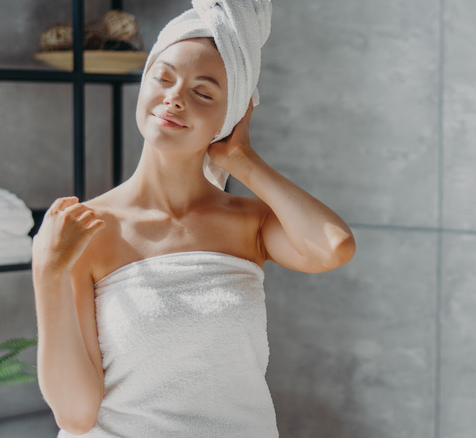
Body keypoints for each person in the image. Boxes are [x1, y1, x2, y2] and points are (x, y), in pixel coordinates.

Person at [32, 1, 354, 437]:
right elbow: (75, 415)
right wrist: (48, 272)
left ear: (231, 115)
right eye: (162, 78)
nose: (174, 98)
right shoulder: (86, 228)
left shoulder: (250, 224)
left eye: (203, 93)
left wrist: (242, 159)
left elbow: (334, 247)